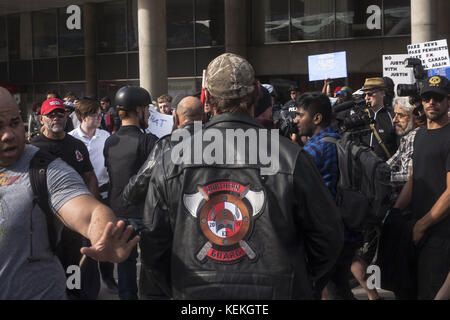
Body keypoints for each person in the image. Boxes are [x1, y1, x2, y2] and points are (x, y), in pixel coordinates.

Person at [139, 53, 343, 299]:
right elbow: (329, 236)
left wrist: (180, 288)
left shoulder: (172, 160)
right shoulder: (291, 156)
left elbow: (153, 247)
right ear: (257, 92)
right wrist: (301, 281)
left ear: (207, 98)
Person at [0, 86, 139, 299]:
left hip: (69, 242)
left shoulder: (47, 167)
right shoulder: (39, 142)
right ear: (41, 119)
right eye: (51, 115)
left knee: (76, 276)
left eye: (14, 123)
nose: (8, 135)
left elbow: (89, 205)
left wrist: (101, 232)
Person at [31, 97, 102, 299]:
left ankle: (75, 294)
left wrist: (90, 213)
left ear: (66, 116)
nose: (56, 118)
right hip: (44, 225)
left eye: (60, 113)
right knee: (48, 268)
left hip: (74, 225)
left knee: (75, 270)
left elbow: (90, 177)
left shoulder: (76, 145)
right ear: (41, 118)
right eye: (51, 114)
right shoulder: (32, 149)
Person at [393, 75, 450, 300]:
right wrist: (395, 212)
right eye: (427, 98)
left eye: (437, 98)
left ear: (448, 101)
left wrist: (422, 225)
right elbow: (413, 178)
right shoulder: (420, 136)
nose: (431, 103)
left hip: (441, 234)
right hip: (417, 231)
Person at [103, 86, 158, 300]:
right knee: (151, 265)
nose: (149, 114)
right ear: (139, 110)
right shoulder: (148, 140)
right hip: (143, 213)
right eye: (147, 109)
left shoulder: (110, 141)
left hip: (116, 211)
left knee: (124, 267)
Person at [68, 98, 118, 294]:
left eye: (100, 114)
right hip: (78, 198)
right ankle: (79, 283)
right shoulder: (71, 139)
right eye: (95, 114)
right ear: (82, 116)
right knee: (80, 243)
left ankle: (108, 276)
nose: (99, 117)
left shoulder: (106, 137)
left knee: (106, 237)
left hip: (103, 195)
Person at [386, 97, 421, 189]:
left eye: (400, 115)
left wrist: (380, 177)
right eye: (395, 114)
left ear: (414, 116)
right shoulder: (406, 137)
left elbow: (408, 177)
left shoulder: (414, 137)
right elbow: (390, 163)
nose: (394, 120)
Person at [360, 77, 398, 161]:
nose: (366, 98)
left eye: (370, 94)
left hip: (383, 169)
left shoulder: (392, 116)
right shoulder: (360, 115)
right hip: (362, 169)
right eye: (364, 95)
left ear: (382, 93)